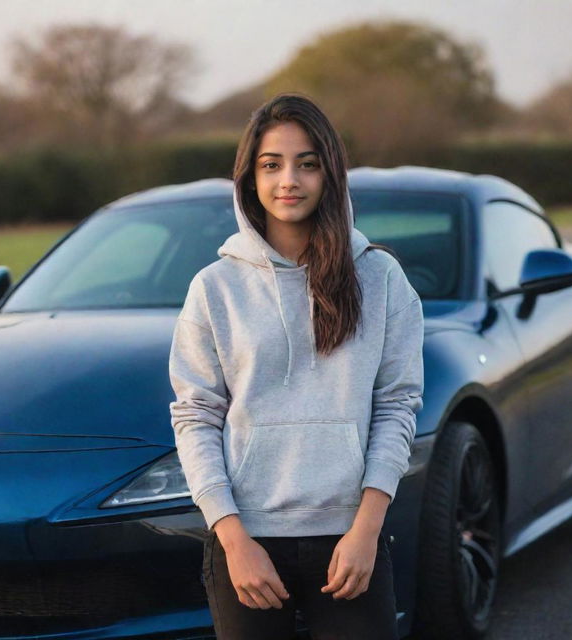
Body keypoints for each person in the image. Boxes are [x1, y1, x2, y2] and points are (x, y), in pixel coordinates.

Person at [169, 93, 424, 640]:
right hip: (248, 542)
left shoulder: (380, 279)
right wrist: (234, 542)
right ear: (249, 179)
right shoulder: (214, 288)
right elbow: (195, 417)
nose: (290, 180)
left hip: (351, 540)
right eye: (272, 165)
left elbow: (397, 407)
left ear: (330, 174)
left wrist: (366, 531)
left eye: (307, 163)